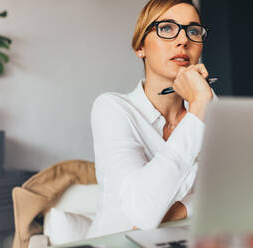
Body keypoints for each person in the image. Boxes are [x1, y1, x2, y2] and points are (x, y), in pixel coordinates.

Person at [87, 0, 216, 238]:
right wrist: (198, 108)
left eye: (194, 31)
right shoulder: (112, 108)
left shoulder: (209, 106)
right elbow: (142, 211)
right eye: (166, 28)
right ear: (140, 48)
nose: (183, 40)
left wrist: (178, 210)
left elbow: (238, 191)